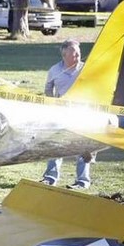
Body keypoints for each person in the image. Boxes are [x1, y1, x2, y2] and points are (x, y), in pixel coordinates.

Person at [39, 39, 96, 189]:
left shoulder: (86, 69)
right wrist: (52, 103)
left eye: (78, 54)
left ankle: (82, 181)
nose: (77, 57)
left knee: (83, 147)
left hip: (83, 113)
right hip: (61, 114)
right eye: (74, 54)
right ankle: (50, 178)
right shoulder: (54, 70)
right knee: (56, 145)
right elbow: (48, 89)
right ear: (64, 55)